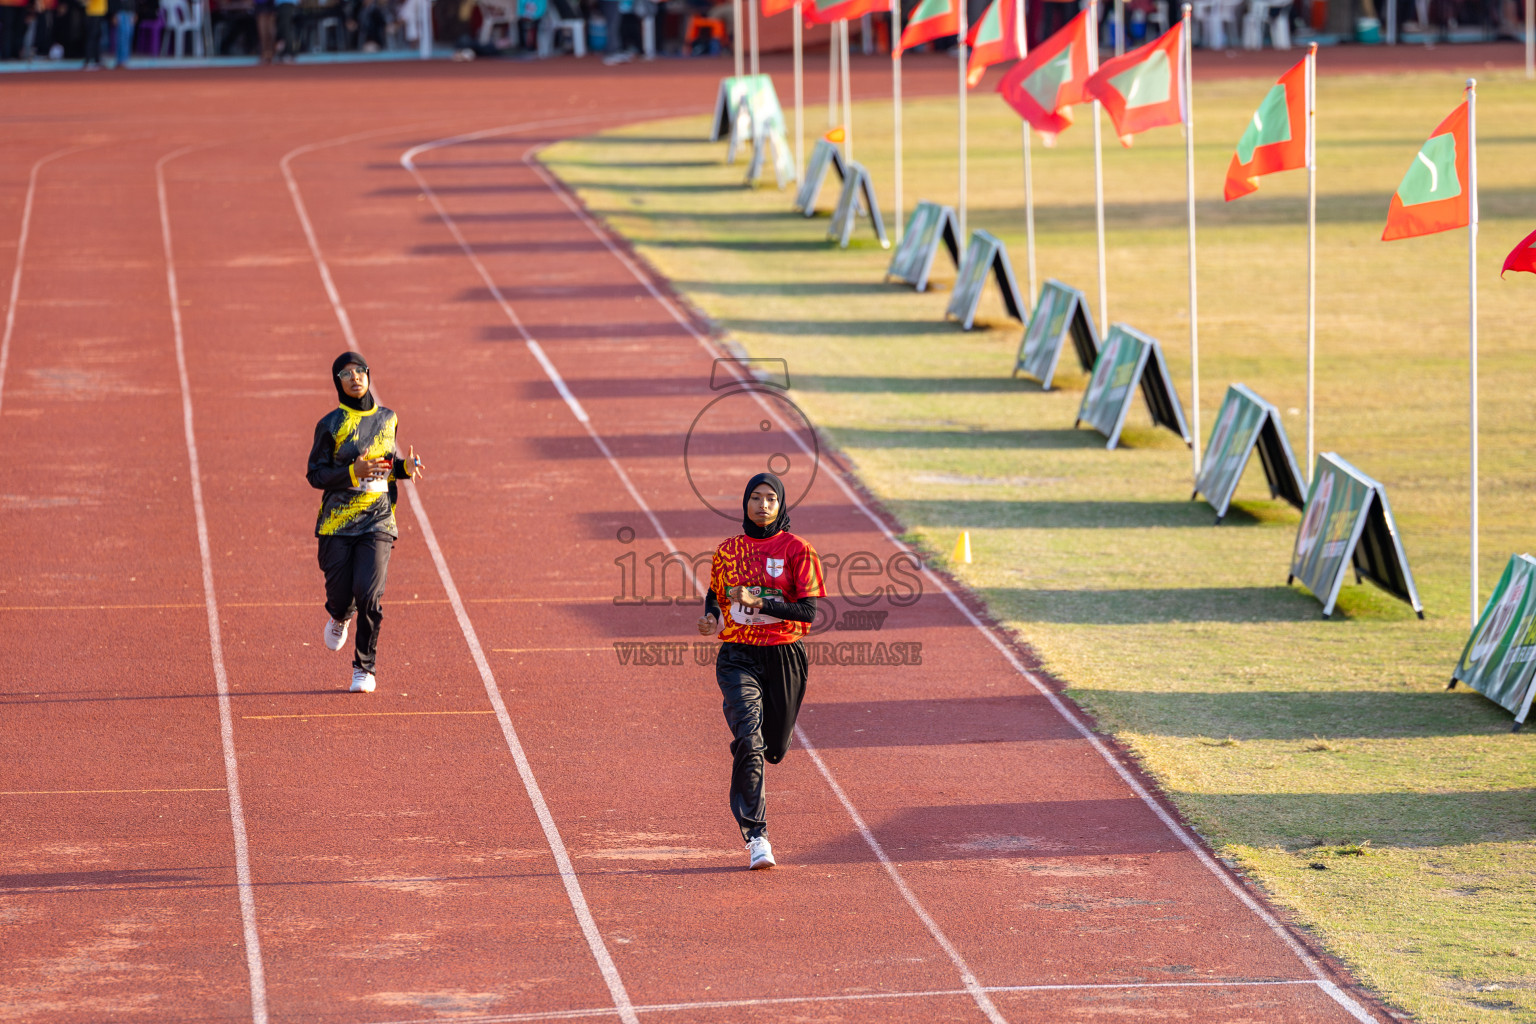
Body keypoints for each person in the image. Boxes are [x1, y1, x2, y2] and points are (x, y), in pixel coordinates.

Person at [696, 473, 825, 870]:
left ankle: (766, 753)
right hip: (737, 656)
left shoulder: (798, 550)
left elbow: (808, 613)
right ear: (745, 504)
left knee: (773, 748)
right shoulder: (728, 550)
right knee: (748, 739)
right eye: (756, 497)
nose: (763, 505)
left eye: (771, 499)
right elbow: (716, 592)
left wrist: (758, 600)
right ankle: (757, 836)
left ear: (781, 505)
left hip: (784, 656)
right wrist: (711, 615)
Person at [306, 352, 423, 694]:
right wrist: (350, 473)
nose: (355, 377)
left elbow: (386, 464)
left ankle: (364, 667)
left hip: (378, 520)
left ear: (369, 376)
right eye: (346, 373)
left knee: (369, 595)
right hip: (337, 523)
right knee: (343, 596)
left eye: (360, 371)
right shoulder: (330, 425)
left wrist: (405, 468)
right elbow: (316, 474)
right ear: (337, 382)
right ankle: (340, 614)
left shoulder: (389, 418)